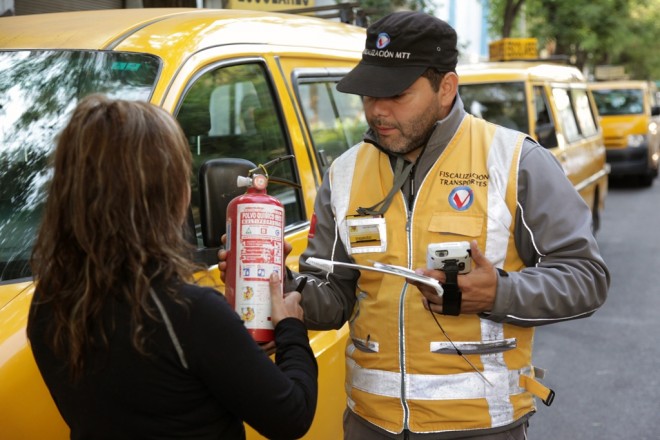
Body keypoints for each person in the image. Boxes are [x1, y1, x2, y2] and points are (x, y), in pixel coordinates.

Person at [221, 11, 610, 440]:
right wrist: (280, 285)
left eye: (397, 94)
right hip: (369, 423)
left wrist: (499, 292)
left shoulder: (516, 161)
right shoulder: (345, 173)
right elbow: (334, 297)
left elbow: (587, 279)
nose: (378, 110)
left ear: (446, 88)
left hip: (481, 426)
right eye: (368, 94)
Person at [27, 94, 318, 440]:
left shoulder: (48, 301)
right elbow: (292, 416)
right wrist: (292, 330)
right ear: (166, 197)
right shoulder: (190, 313)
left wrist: (234, 346)